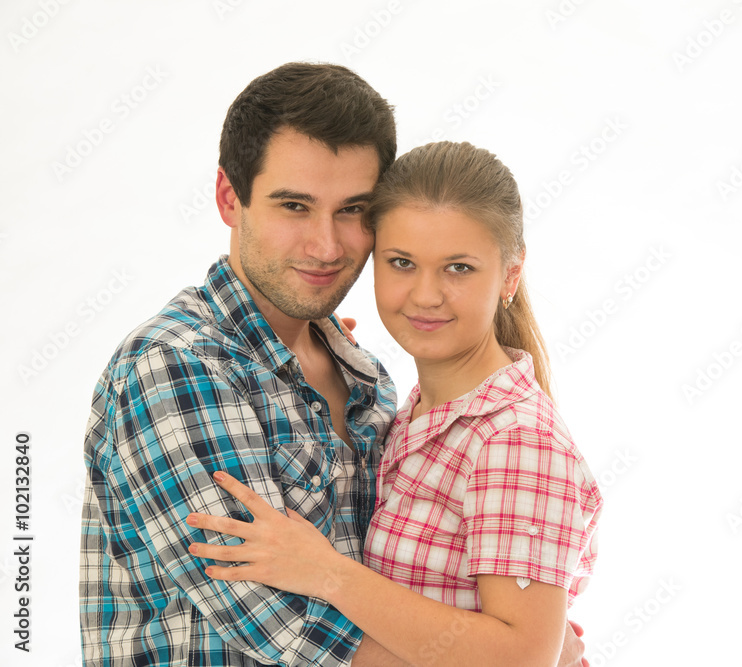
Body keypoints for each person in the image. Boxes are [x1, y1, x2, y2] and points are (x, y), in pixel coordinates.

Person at [80, 62, 588, 666]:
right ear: (228, 198)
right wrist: (535, 655)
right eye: (294, 205)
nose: (325, 246)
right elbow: (291, 632)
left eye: (352, 210)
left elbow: (418, 585)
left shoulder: (367, 378)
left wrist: (527, 646)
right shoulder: (174, 370)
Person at [186, 141, 604, 667]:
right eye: (402, 263)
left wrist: (327, 573)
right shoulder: (409, 413)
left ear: (511, 276)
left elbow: (518, 659)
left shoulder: (513, 437)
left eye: (458, 268)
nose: (425, 295)